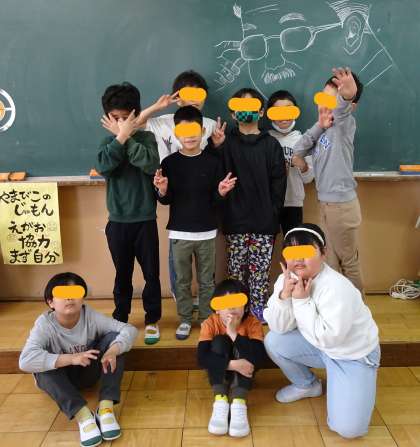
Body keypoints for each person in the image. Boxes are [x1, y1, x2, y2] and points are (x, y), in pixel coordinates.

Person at [263, 224, 380, 439]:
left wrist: (301, 301)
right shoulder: (286, 279)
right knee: (274, 340)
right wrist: (284, 297)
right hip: (319, 346)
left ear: (324, 253)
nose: (298, 259)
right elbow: (279, 327)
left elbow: (329, 338)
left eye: (306, 251)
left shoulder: (337, 287)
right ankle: (307, 385)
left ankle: (348, 382)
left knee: (349, 430)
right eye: (291, 252)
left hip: (351, 355)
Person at [19, 272, 138, 447]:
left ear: (82, 298)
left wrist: (113, 350)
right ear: (50, 302)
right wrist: (71, 358)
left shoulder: (90, 316)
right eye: (62, 294)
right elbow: (25, 361)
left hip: (88, 372)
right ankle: (83, 416)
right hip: (60, 380)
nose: (69, 298)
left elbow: (129, 329)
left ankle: (105, 408)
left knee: (115, 340)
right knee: (41, 367)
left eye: (75, 292)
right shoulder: (44, 324)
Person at [153, 106, 236, 339]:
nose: (189, 136)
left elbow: (215, 200)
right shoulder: (169, 163)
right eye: (183, 131)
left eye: (194, 131)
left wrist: (221, 192)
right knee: (182, 281)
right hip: (179, 233)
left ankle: (207, 318)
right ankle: (185, 318)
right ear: (176, 133)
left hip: (207, 232)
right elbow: (166, 200)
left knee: (207, 280)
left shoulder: (213, 161)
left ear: (202, 131)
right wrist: (162, 190)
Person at [207, 87, 287, 321]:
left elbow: (279, 184)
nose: (246, 112)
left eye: (251, 108)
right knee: (235, 273)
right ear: (233, 114)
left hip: (264, 222)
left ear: (261, 112)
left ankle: (258, 312)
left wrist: (272, 213)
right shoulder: (225, 143)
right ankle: (236, 312)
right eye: (240, 108)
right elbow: (215, 177)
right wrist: (217, 147)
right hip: (234, 221)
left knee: (260, 274)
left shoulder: (271, 145)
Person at [137, 70, 217, 303]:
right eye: (188, 94)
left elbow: (213, 160)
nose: (194, 99)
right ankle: (180, 296)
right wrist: (157, 107)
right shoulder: (161, 122)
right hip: (168, 189)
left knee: (204, 254)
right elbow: (132, 125)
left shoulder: (210, 125)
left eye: (199, 94)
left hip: (199, 194)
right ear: (177, 97)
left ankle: (204, 301)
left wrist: (219, 145)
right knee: (178, 250)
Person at [97, 82, 161, 344]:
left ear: (136, 115)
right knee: (122, 274)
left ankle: (152, 319)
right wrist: (119, 138)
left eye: (126, 118)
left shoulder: (147, 139)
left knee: (151, 275)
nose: (121, 123)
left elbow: (149, 164)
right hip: (118, 222)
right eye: (116, 118)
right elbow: (104, 167)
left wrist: (127, 136)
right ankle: (120, 319)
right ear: (107, 117)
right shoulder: (107, 143)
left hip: (145, 220)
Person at [292, 67, 364, 293]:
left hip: (341, 206)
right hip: (326, 204)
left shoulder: (344, 125)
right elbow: (298, 149)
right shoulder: (323, 129)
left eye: (332, 101)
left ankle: (357, 309)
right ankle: (336, 305)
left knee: (348, 262)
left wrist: (347, 96)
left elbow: (342, 109)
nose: (324, 104)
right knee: (330, 261)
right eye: (322, 98)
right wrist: (319, 126)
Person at [198, 279, 265, 437]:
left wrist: (234, 333)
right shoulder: (210, 323)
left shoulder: (253, 323)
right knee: (219, 341)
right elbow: (202, 358)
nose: (231, 307)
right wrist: (232, 365)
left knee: (248, 346)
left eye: (237, 302)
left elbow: (259, 357)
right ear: (217, 309)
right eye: (225, 303)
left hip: (246, 370)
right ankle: (220, 400)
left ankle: (238, 402)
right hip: (224, 368)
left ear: (245, 306)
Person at [267, 89, 314, 234]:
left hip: (293, 202)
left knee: (294, 242)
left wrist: (303, 165)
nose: (283, 116)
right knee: (266, 243)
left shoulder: (303, 141)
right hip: (268, 202)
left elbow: (308, 179)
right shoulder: (265, 140)